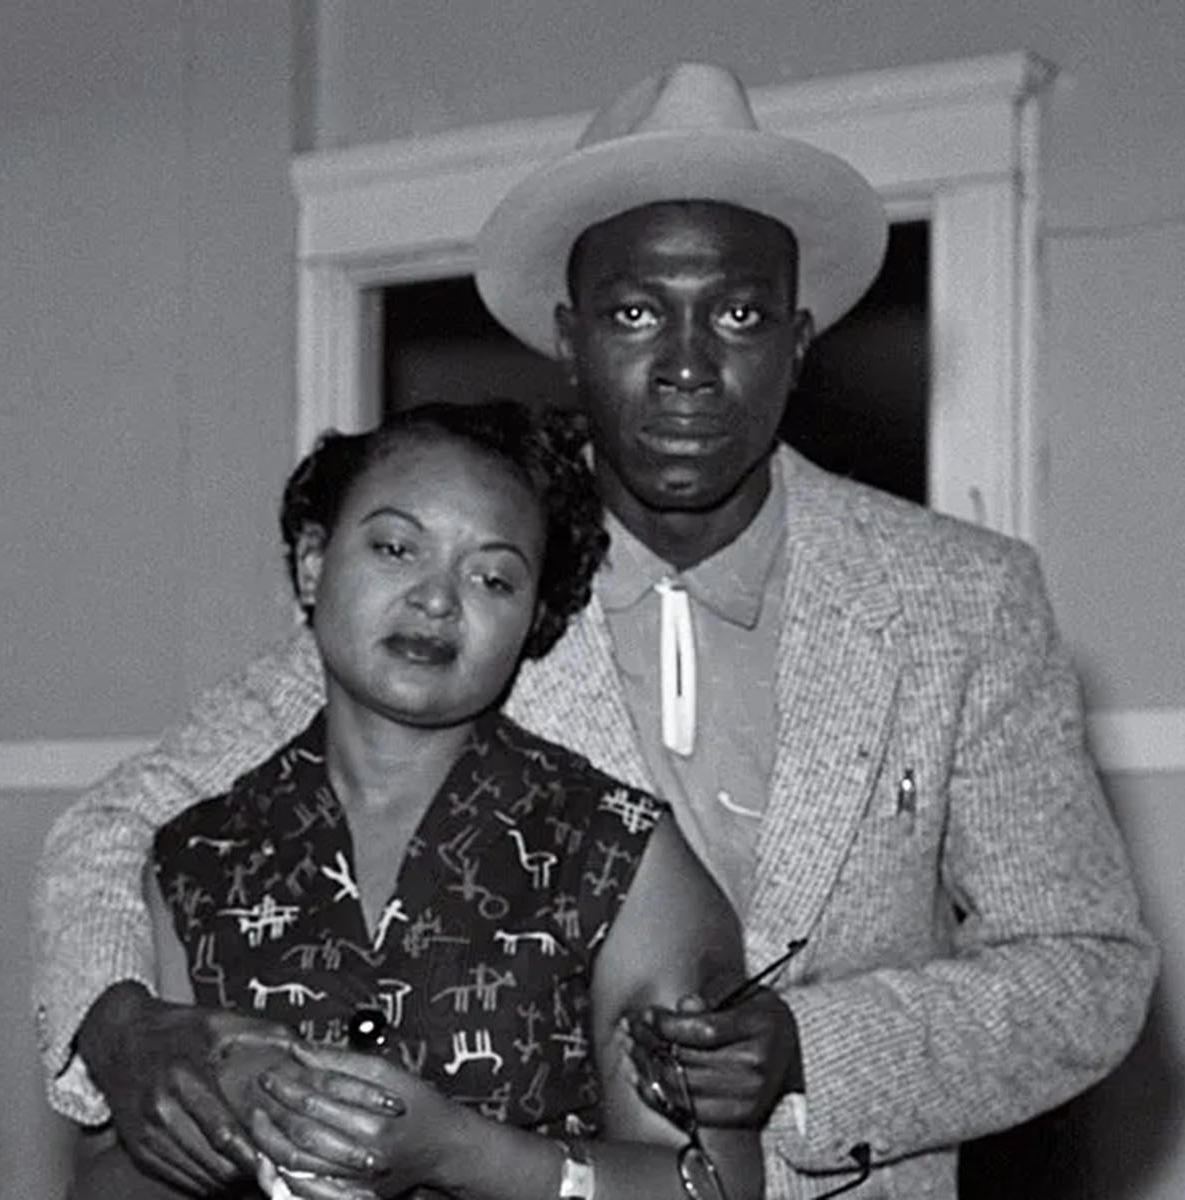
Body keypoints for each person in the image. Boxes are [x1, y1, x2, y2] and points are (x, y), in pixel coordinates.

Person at [33, 62, 1159, 1199]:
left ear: (799, 339)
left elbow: (1085, 966)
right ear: (568, 341)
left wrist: (814, 1049)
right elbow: (123, 823)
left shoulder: (961, 600)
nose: (684, 365)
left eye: (736, 313)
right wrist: (120, 1026)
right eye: (633, 313)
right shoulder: (470, 574)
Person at [70, 400, 758, 1200]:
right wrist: (228, 1113)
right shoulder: (195, 861)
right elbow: (102, 1180)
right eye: (396, 547)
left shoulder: (618, 854)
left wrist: (460, 1153)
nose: (437, 599)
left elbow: (713, 1188)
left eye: (492, 577)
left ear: (534, 620)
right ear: (311, 564)